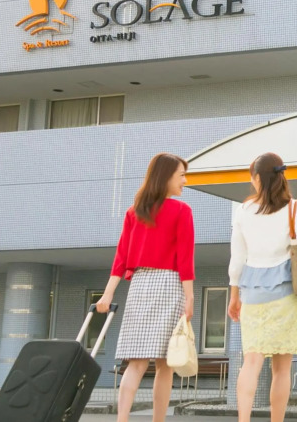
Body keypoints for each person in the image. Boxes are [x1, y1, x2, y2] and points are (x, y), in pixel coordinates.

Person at [96, 152, 195, 422]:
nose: (184, 181)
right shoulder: (182, 211)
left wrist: (108, 293)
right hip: (170, 284)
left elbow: (121, 258)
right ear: (166, 177)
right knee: (165, 363)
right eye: (181, 175)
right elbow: (185, 257)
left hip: (140, 285)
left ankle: (122, 419)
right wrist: (189, 296)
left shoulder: (134, 211)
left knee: (136, 362)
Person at [227, 152, 297, 422]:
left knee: (251, 362)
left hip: (252, 293)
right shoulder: (295, 208)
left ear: (257, 178)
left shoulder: (243, 211)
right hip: (286, 292)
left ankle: (243, 419)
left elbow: (237, 258)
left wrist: (234, 296)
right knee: (282, 369)